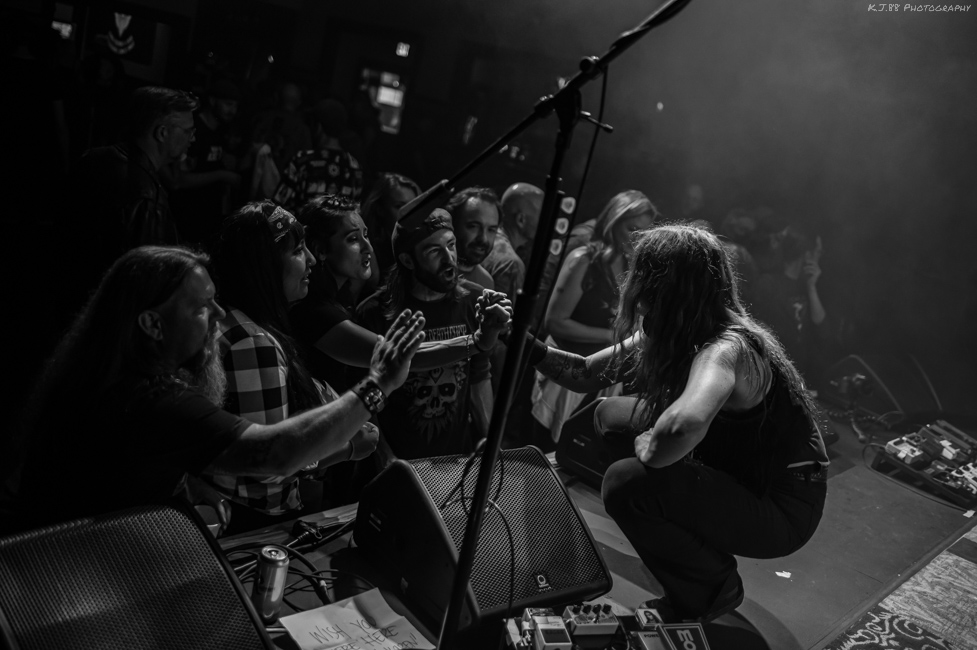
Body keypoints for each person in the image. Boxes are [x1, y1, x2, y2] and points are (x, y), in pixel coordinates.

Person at [525, 222, 828, 623]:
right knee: (609, 415)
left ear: (660, 288)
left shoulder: (726, 348)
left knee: (624, 482)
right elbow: (583, 373)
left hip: (782, 505)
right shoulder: (676, 328)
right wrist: (519, 341)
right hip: (738, 462)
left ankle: (711, 586)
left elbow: (682, 427)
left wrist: (651, 446)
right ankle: (687, 528)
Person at [10, 245, 424, 531]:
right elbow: (275, 453)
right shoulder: (151, 400)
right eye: (202, 307)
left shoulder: (105, 371)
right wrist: (377, 385)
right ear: (152, 324)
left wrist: (184, 482)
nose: (219, 314)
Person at [292, 194, 512, 395]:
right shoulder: (314, 310)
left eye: (366, 235)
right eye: (352, 239)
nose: (367, 247)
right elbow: (399, 357)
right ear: (320, 250)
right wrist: (477, 342)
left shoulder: (341, 298)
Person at [357, 208, 499, 459]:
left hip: (455, 459)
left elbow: (479, 375)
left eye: (451, 245)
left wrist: (491, 439)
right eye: (434, 251)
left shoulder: (473, 300)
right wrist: (386, 459)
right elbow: (362, 396)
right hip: (399, 460)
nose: (449, 259)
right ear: (408, 260)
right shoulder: (373, 314)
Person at [531, 190, 659, 446]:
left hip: (603, 373)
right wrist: (613, 337)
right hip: (568, 368)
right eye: (631, 229)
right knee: (543, 443)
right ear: (612, 222)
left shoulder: (631, 267)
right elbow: (555, 322)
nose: (635, 240)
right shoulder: (584, 260)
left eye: (642, 234)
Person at [71, 86, 198, 270]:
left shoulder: (93, 157)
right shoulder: (146, 197)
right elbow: (143, 274)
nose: (192, 139)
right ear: (162, 133)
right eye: (188, 131)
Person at [164, 78, 244, 248]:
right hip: (186, 214)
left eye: (235, 106)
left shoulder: (222, 130)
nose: (232, 111)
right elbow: (179, 180)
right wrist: (222, 175)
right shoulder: (194, 129)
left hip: (209, 216)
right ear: (213, 101)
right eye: (228, 104)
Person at [752, 225, 827, 388]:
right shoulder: (768, 283)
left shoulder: (808, 285)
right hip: (775, 377)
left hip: (802, 377)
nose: (820, 257)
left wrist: (812, 287)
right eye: (818, 252)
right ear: (807, 254)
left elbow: (819, 321)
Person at [273, 98, 364, 213]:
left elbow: (278, 206)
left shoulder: (302, 160)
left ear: (319, 127)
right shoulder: (355, 168)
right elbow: (355, 214)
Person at [359, 172, 420, 292]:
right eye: (399, 206)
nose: (408, 213)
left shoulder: (420, 245)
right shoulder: (368, 249)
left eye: (413, 206)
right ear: (380, 209)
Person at [483, 182, 544, 301]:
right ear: (521, 220)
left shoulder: (483, 241)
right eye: (542, 216)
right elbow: (502, 317)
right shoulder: (511, 264)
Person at [444, 186, 500, 290]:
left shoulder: (486, 284)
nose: (483, 238)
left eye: (491, 230)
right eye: (474, 226)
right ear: (452, 224)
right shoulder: (429, 270)